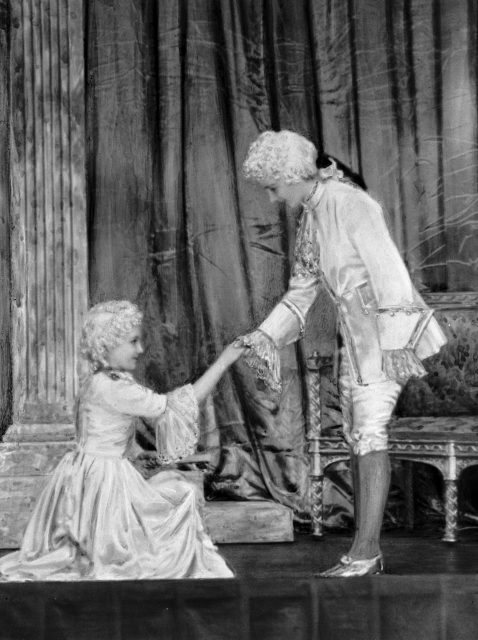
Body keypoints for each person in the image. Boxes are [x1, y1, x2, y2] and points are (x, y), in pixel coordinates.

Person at [240, 130, 447, 577]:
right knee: (358, 435)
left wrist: (394, 345)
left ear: (293, 176)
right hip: (355, 340)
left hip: (386, 339)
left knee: (369, 435)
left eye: (274, 188)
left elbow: (389, 271)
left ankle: (366, 554)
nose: (274, 199)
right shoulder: (313, 214)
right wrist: (264, 337)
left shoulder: (350, 202)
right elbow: (301, 293)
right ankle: (364, 552)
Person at [0, 300, 244, 581]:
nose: (140, 350)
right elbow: (176, 405)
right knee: (181, 494)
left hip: (82, 476)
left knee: (170, 488)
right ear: (108, 345)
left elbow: (104, 433)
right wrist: (225, 360)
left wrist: (138, 454)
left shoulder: (98, 382)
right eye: (133, 341)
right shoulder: (114, 388)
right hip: (105, 484)